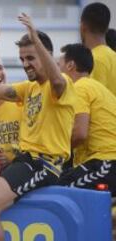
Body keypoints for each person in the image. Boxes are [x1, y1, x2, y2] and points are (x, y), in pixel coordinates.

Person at [0, 14, 76, 241]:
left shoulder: (62, 84)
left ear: (46, 55)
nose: (25, 64)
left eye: (31, 57)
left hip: (44, 164)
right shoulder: (29, 88)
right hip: (25, 161)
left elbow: (58, 82)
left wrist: (36, 38)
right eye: (22, 59)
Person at [56, 43, 116, 196]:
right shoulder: (101, 89)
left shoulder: (79, 88)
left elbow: (80, 134)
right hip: (104, 162)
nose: (56, 71)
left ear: (70, 65)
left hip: (104, 162)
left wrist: (54, 150)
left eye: (58, 65)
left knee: (56, 191)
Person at [80, 2, 116, 96]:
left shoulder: (93, 60)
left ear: (83, 26)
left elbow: (93, 99)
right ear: (107, 28)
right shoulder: (113, 56)